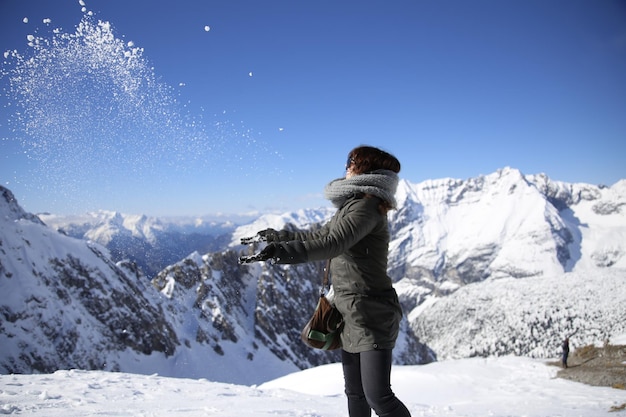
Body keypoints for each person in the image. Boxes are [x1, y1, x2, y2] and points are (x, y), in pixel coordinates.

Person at [240, 145, 411, 417]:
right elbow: (317, 236)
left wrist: (280, 254)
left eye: (352, 160)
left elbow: (332, 244)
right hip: (349, 310)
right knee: (355, 394)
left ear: (365, 168)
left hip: (371, 313)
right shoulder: (354, 205)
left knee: (379, 397)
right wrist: (277, 239)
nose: (346, 165)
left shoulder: (366, 208)